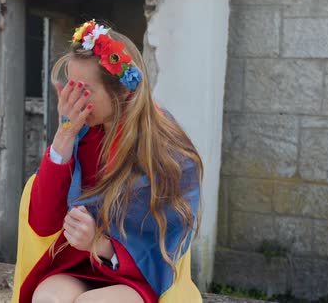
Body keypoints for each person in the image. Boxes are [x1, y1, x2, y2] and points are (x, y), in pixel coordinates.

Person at [11, 20, 204, 303]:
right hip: (78, 264)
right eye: (71, 88)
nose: (72, 100)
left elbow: (169, 240)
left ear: (123, 92)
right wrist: (64, 136)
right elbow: (42, 222)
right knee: (47, 298)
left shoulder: (167, 148)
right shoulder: (81, 133)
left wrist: (101, 244)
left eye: (85, 91)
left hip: (136, 274)